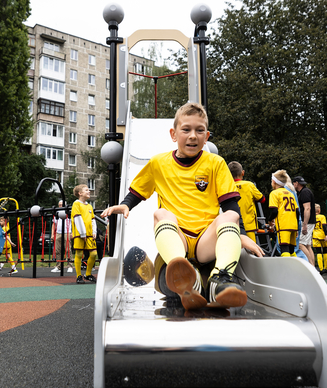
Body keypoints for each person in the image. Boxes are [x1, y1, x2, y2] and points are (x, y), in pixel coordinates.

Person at [102, 102, 263, 310]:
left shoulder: (215, 163)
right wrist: (125, 205)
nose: (193, 135)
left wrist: (239, 235)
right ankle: (184, 271)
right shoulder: (159, 163)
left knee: (229, 217)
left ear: (207, 136)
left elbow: (231, 206)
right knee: (160, 213)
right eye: (186, 129)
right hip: (178, 240)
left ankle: (220, 280)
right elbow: (138, 191)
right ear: (174, 134)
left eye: (200, 130)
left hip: (206, 242)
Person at [229, 161, 266, 244]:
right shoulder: (249, 185)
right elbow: (262, 199)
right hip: (249, 224)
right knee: (251, 250)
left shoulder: (227, 186)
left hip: (232, 225)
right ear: (243, 173)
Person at [268, 170, 299, 257]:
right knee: (292, 250)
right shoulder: (290, 193)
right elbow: (297, 212)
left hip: (283, 225)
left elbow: (274, 211)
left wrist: (270, 220)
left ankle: (288, 270)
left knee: (284, 249)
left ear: (274, 182)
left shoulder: (274, 193)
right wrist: (296, 228)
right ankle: (296, 269)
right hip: (293, 225)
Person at [71, 185, 98, 284]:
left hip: (90, 234)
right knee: (78, 254)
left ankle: (88, 274)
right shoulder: (76, 204)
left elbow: (92, 219)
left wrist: (94, 231)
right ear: (80, 193)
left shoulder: (89, 205)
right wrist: (82, 234)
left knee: (94, 253)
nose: (89, 191)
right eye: (86, 190)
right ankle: (78, 276)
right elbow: (77, 219)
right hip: (80, 234)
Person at [293, 176, 316, 263]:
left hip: (307, 221)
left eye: (293, 183)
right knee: (308, 246)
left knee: (301, 244)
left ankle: (310, 266)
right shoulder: (305, 191)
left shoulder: (304, 192)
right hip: (309, 221)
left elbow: (307, 208)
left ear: (296, 183)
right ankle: (312, 266)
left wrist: (305, 224)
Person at [50, 201, 72, 273]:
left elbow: (73, 223)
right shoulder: (57, 213)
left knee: (68, 250)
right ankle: (58, 266)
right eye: (59, 205)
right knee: (58, 250)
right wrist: (52, 234)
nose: (60, 206)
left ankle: (70, 266)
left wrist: (72, 232)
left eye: (62, 205)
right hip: (58, 233)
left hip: (67, 232)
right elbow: (54, 224)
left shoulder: (69, 213)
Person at [312, 204, 327, 273]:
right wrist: (326, 234)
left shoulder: (312, 217)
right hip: (323, 235)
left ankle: (321, 269)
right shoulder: (322, 216)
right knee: (325, 252)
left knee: (318, 252)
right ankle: (326, 269)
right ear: (319, 210)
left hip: (315, 236)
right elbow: (324, 226)